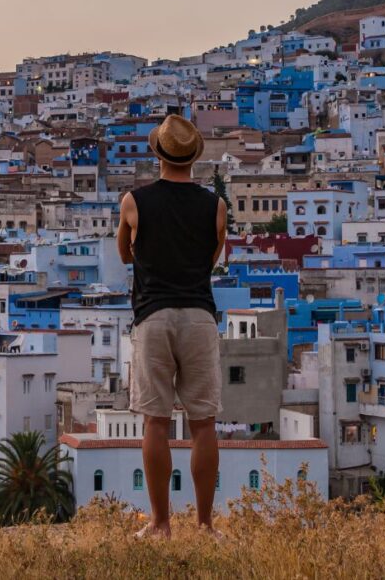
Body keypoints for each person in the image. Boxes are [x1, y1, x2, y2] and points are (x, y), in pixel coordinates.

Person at [117, 114, 227, 539]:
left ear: (157, 153)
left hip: (153, 316)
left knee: (155, 422)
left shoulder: (134, 201)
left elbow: (125, 254)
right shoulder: (214, 206)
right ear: (193, 157)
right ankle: (204, 525)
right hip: (199, 315)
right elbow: (211, 259)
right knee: (204, 423)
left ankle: (160, 524)